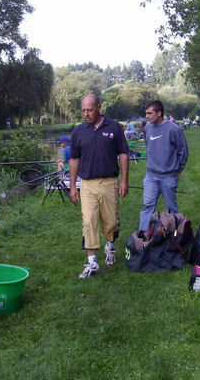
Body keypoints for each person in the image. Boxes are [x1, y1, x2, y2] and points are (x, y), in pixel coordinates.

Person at [69, 94, 129, 278]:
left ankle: (110, 246)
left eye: (90, 110)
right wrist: (73, 186)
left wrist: (124, 180)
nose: (86, 114)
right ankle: (92, 262)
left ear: (99, 107)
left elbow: (123, 154)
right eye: (84, 110)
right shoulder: (78, 131)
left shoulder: (114, 127)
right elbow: (74, 159)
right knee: (88, 221)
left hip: (110, 182)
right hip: (87, 184)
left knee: (111, 222)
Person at [139, 100, 189, 232]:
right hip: (151, 176)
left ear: (159, 113)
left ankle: (174, 236)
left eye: (150, 113)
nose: (147, 116)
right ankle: (143, 235)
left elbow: (183, 151)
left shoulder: (174, 129)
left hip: (168, 177)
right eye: (146, 113)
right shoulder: (147, 128)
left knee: (171, 209)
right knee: (147, 206)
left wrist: (178, 170)